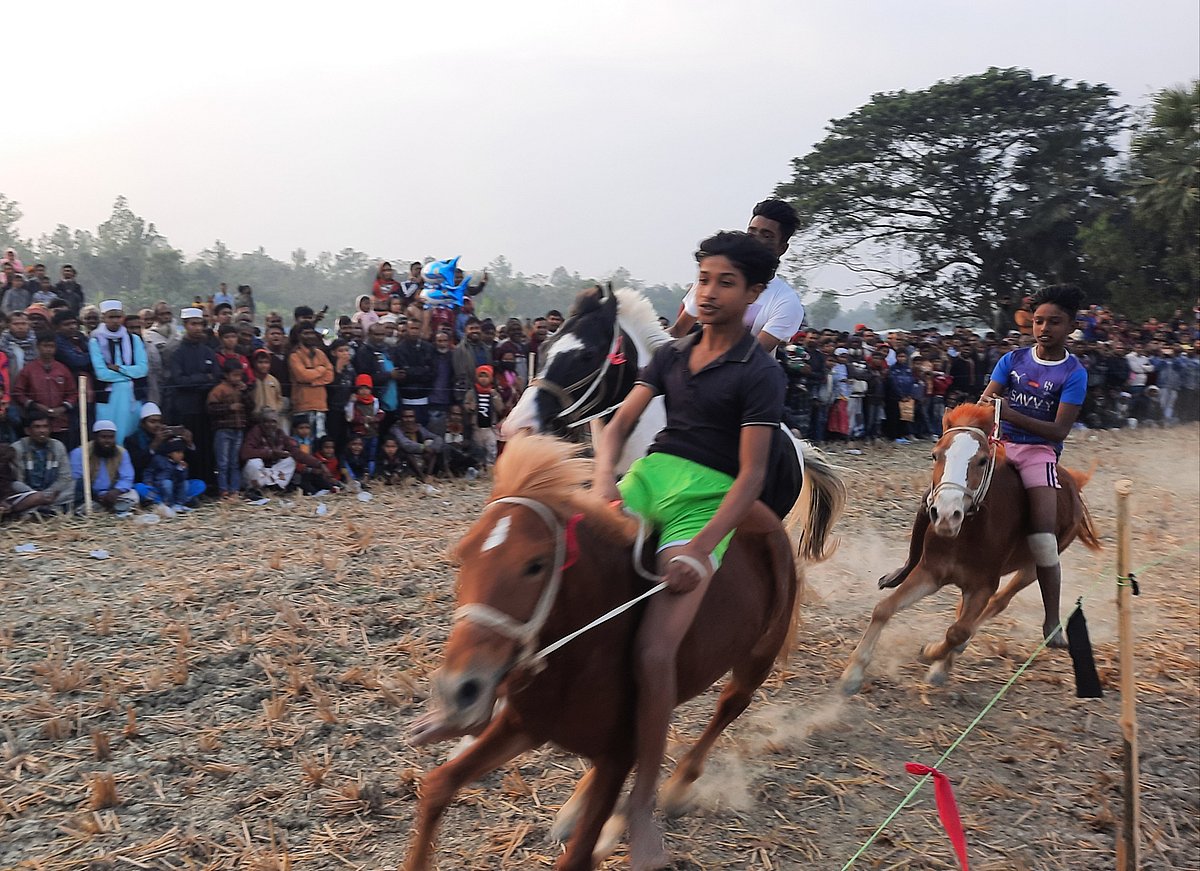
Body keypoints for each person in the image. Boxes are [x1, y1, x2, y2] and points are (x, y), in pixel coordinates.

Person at [591, 231, 785, 871]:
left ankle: (642, 804)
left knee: (653, 651)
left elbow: (752, 475)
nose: (708, 292)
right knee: (566, 569)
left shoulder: (759, 372)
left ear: (754, 294)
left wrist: (701, 550)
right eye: (703, 278)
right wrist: (602, 491)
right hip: (649, 479)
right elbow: (619, 426)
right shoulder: (671, 355)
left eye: (725, 282)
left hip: (707, 500)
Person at [977, 285, 1088, 645]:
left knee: (1043, 537)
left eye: (1054, 322)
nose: (1044, 328)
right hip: (1000, 445)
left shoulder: (1074, 373)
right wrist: (986, 410)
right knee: (945, 489)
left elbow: (1059, 429)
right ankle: (911, 564)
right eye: (1039, 321)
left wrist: (1010, 412)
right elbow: (986, 400)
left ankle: (1051, 621)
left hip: (1040, 452)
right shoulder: (1012, 360)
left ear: (1071, 325)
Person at [669, 199, 806, 352]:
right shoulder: (713, 280)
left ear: (782, 248)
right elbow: (677, 332)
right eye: (752, 232)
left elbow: (753, 354)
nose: (756, 240)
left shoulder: (786, 301)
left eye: (767, 236)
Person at [89, 300, 148, 442]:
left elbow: (143, 370)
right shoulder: (95, 340)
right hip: (108, 398)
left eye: (118, 317)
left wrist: (120, 368)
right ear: (103, 318)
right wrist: (128, 375)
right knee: (108, 436)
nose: (115, 321)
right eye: (111, 317)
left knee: (130, 435)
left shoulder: (134, 339)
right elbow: (102, 374)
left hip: (131, 396)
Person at [10, 410, 76, 514]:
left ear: (50, 429)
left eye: (45, 427)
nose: (42, 431)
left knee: (73, 485)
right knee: (14, 485)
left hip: (52, 494)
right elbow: (19, 479)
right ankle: (46, 509)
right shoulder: (17, 448)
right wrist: (36, 496)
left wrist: (45, 495)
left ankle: (39, 509)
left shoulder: (58, 446)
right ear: (28, 430)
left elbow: (64, 477)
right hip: (28, 494)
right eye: (37, 427)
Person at [71, 420, 139, 517]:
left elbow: (127, 478)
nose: (108, 441)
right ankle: (110, 510)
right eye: (103, 437)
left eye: (111, 437)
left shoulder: (122, 453)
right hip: (89, 495)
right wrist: (96, 496)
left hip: (112, 493)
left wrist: (115, 492)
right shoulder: (80, 452)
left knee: (133, 496)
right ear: (95, 437)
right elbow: (77, 479)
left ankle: (109, 509)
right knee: (79, 503)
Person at [207, 359, 254, 500]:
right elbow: (210, 408)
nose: (237, 378)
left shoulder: (241, 389)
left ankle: (234, 489)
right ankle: (223, 490)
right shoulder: (219, 390)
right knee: (223, 462)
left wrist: (245, 393)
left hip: (238, 428)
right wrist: (229, 408)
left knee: (234, 461)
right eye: (234, 375)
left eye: (240, 375)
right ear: (226, 375)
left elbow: (250, 406)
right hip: (223, 429)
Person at [289, 324, 334, 438]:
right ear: (299, 336)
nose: (309, 336)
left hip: (320, 405)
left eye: (311, 333)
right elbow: (303, 376)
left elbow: (330, 375)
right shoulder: (295, 356)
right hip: (302, 405)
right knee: (303, 441)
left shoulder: (320, 354)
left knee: (319, 440)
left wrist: (313, 381)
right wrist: (321, 369)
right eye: (306, 333)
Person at [345, 373, 383, 462]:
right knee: (360, 456)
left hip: (373, 434)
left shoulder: (375, 401)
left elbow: (380, 413)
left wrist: (375, 419)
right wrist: (362, 419)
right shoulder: (354, 402)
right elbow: (349, 417)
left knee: (372, 456)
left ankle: (370, 473)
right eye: (361, 388)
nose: (364, 391)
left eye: (367, 388)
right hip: (359, 436)